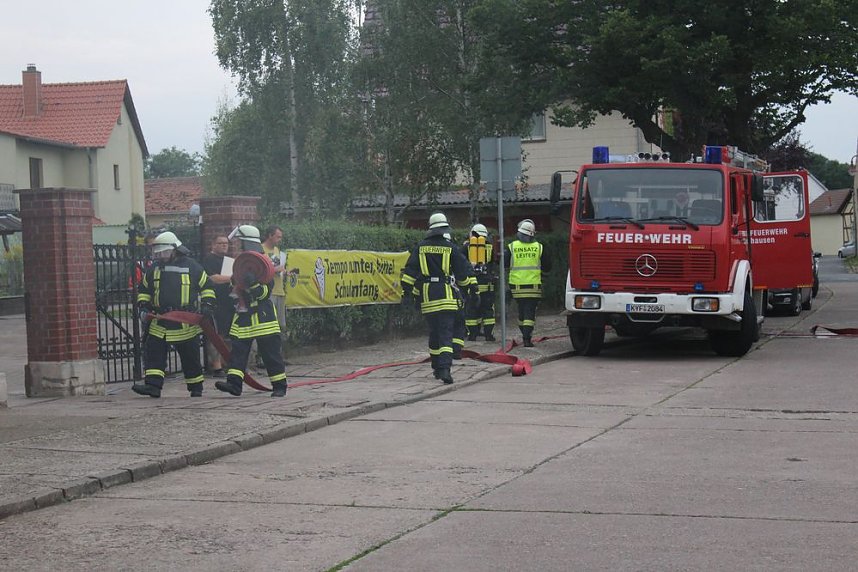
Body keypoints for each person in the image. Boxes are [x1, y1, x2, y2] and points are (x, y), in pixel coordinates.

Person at [132, 231, 217, 398]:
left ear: (175, 249)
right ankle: (153, 386)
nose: (161, 256)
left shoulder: (192, 267)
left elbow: (207, 287)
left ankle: (196, 388)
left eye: (164, 252)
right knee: (154, 353)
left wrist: (207, 305)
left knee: (190, 357)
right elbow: (144, 290)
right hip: (160, 320)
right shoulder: (153, 269)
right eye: (159, 253)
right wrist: (144, 305)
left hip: (184, 321)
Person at [401, 213, 477, 384]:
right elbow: (462, 273)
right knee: (445, 333)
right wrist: (471, 290)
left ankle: (436, 367)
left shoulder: (420, 247)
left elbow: (410, 272)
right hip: (446, 295)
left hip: (428, 296)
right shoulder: (450, 248)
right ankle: (445, 369)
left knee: (434, 332)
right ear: (444, 229)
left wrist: (406, 294)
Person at [215, 224, 288, 398]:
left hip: (263, 319)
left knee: (271, 354)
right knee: (238, 353)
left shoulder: (263, 263)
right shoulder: (243, 262)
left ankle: (279, 386)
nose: (239, 246)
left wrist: (253, 283)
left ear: (247, 242)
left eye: (241, 243)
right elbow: (235, 286)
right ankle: (234, 385)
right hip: (244, 316)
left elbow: (264, 293)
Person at [506, 219, 551, 347]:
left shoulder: (512, 246)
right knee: (529, 313)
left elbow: (503, 263)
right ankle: (527, 339)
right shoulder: (539, 247)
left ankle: (523, 332)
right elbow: (548, 266)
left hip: (516, 287)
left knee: (521, 311)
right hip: (533, 287)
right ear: (532, 234)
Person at [201, 235, 234, 377]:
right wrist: (233, 278)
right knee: (216, 335)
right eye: (220, 243)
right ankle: (216, 367)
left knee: (228, 335)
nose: (224, 245)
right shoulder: (209, 260)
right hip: (216, 303)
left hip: (229, 302)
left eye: (226, 243)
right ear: (213, 244)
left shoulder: (229, 261)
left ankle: (227, 363)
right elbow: (213, 278)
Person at [463, 223, 497, 342]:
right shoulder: (489, 247)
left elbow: (461, 264)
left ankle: (472, 335)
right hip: (487, 285)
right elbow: (492, 264)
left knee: (472, 309)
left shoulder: (466, 247)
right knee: (487, 310)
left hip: (472, 285)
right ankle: (489, 335)